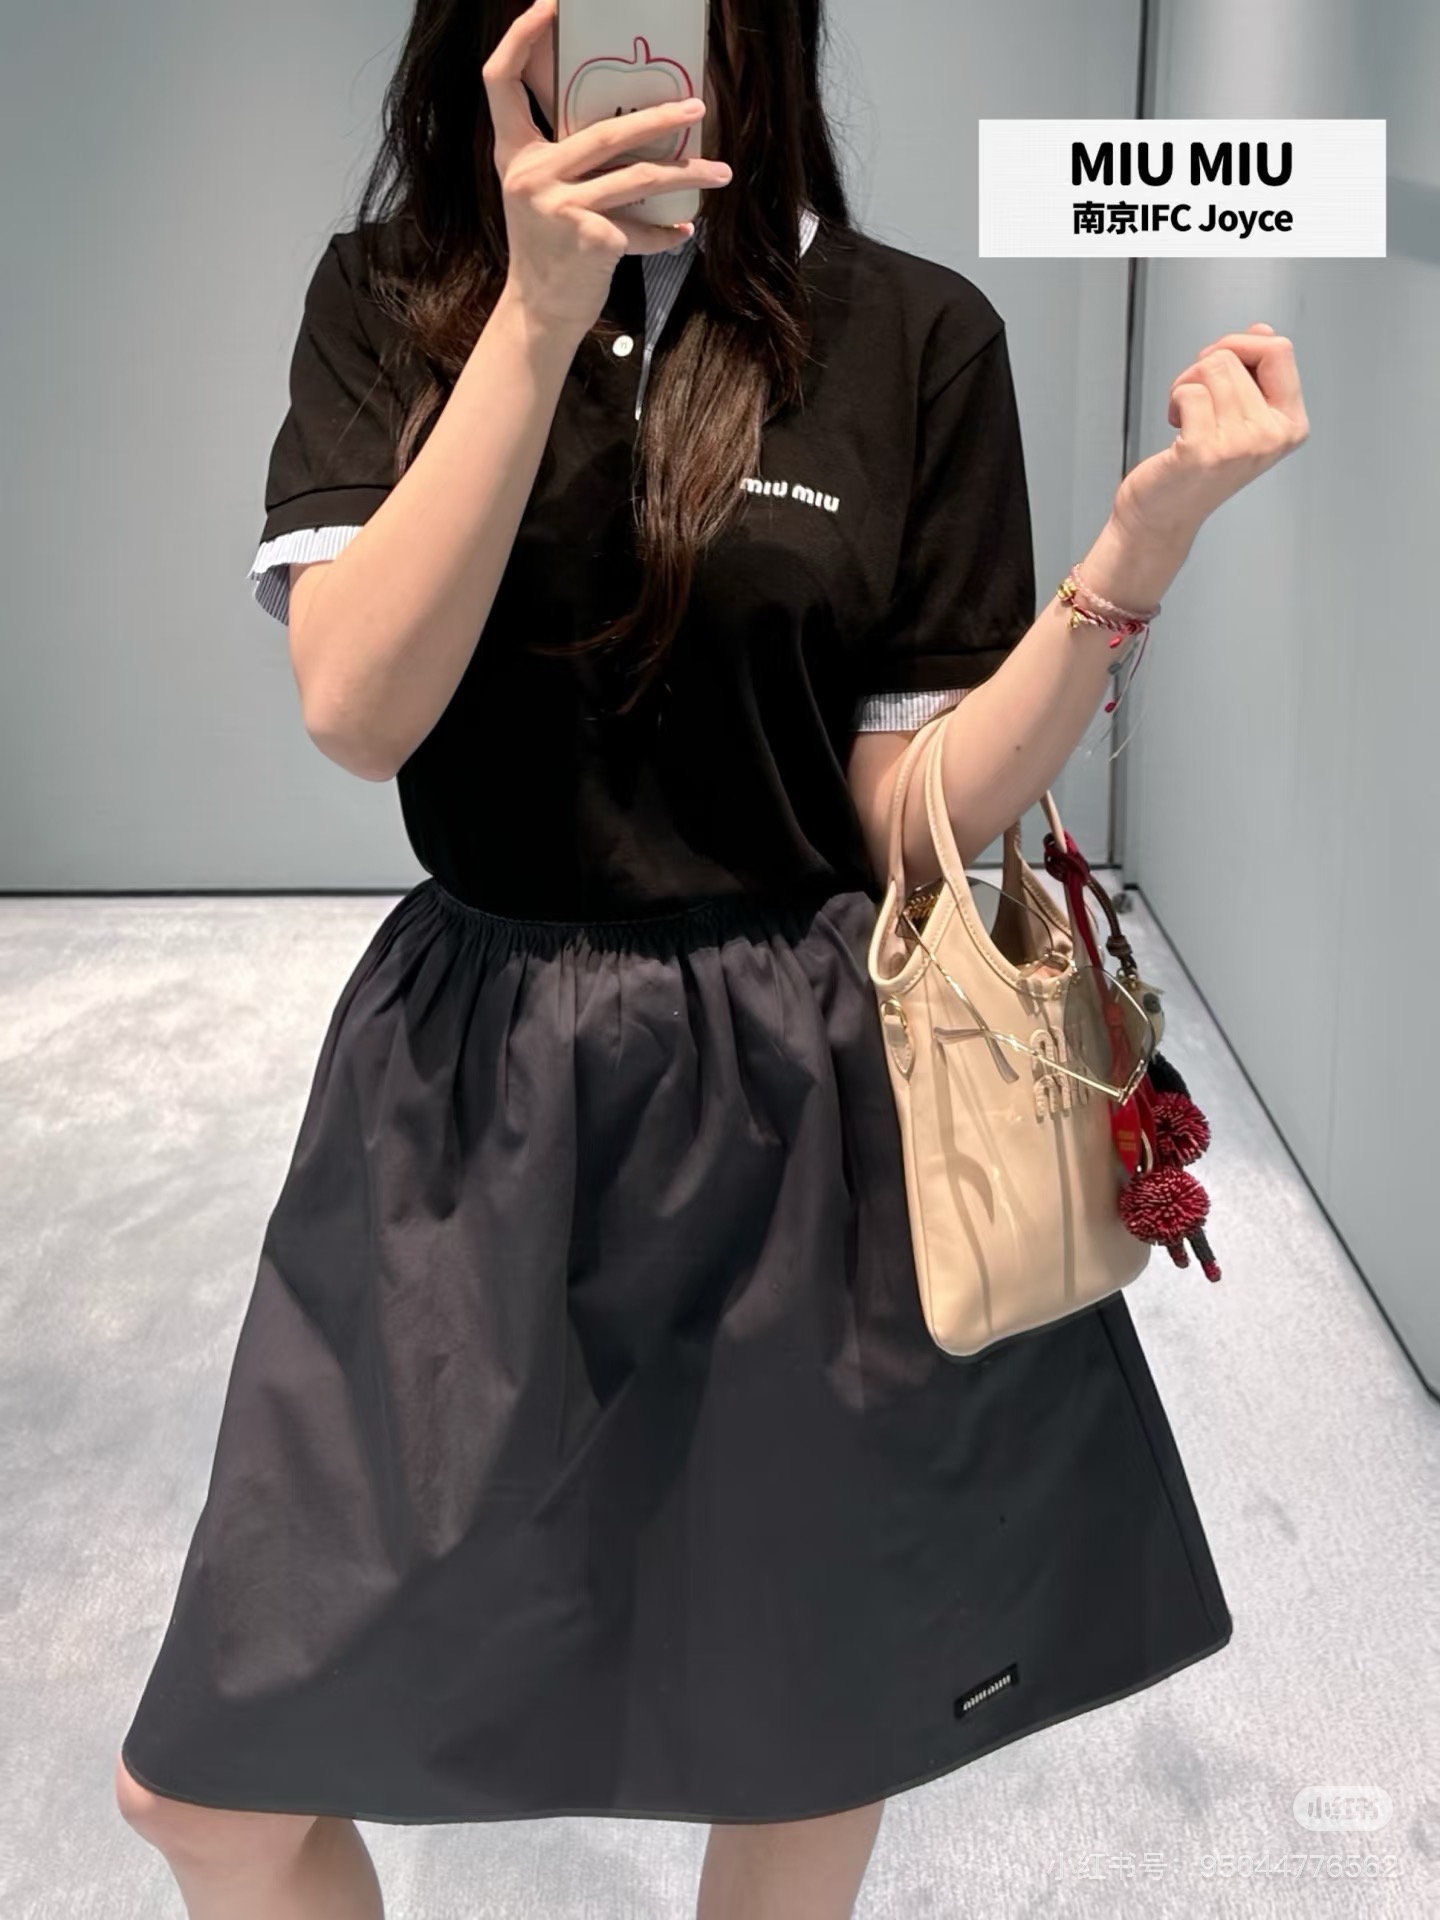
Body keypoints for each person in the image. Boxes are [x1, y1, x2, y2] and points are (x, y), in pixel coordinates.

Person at [112, 1, 1309, 1914]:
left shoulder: (910, 335)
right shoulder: (396, 298)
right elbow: (359, 705)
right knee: (210, 1793)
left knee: (803, 1724)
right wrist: (534, 312)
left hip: (797, 1095)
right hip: (467, 1089)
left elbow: (902, 814)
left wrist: (1132, 558)